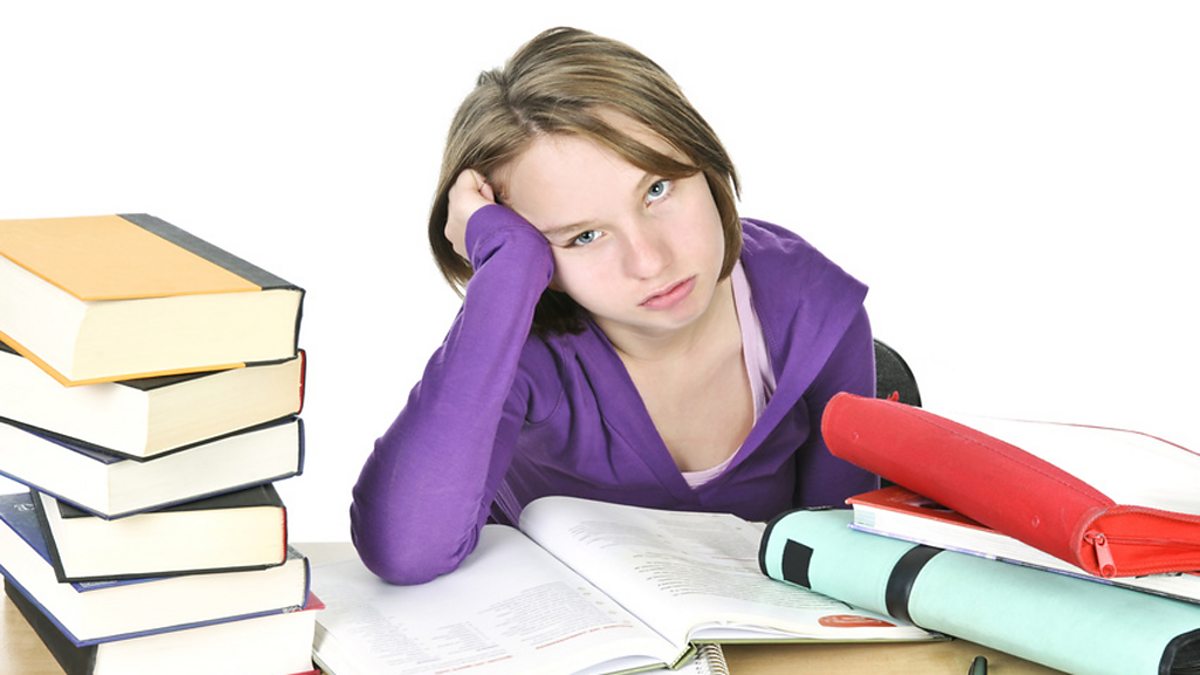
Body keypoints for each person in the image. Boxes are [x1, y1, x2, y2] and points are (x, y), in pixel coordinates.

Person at [351, 27, 878, 585]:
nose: (650, 261)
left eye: (657, 190)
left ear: (702, 158)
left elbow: (844, 561)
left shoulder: (811, 308)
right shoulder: (523, 344)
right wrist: (506, 269)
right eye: (583, 236)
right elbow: (404, 552)